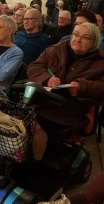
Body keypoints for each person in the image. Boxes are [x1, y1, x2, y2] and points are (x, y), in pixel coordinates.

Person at [27, 22, 104, 164]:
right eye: (76, 34)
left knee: (35, 124)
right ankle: (28, 157)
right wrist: (47, 79)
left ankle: (36, 164)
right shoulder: (55, 49)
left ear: (94, 42)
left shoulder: (100, 61)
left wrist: (83, 87)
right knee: (18, 119)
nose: (77, 39)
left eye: (85, 37)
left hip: (71, 107)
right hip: (44, 100)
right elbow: (34, 67)